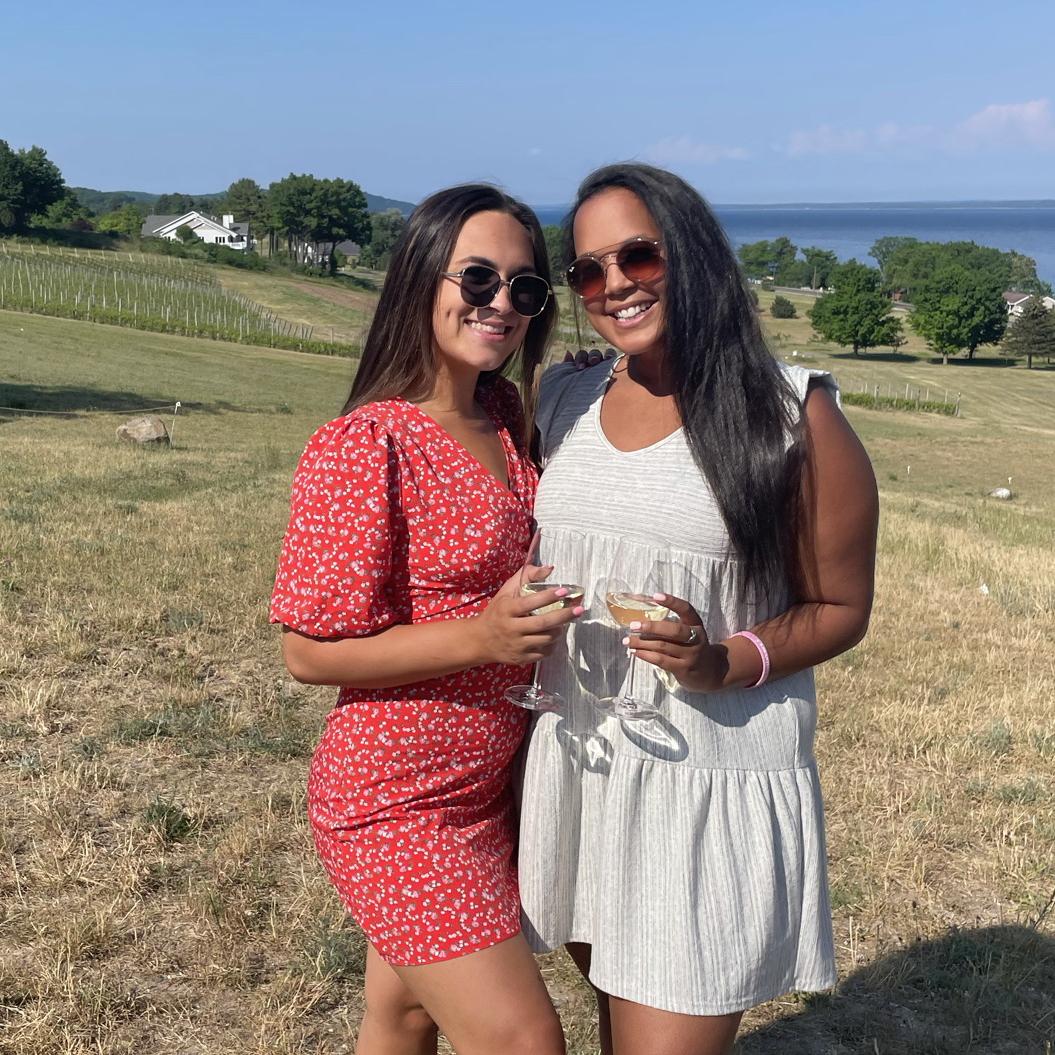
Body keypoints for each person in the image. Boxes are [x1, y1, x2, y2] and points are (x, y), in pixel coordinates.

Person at [517, 163, 879, 1055]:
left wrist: (723, 659)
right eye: (588, 270)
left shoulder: (793, 414)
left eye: (638, 256)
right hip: (580, 770)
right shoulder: (565, 396)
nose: (614, 285)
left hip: (703, 780)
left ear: (693, 252)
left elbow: (839, 604)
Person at [270, 184, 582, 1055]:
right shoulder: (365, 443)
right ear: (419, 277)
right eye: (477, 278)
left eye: (525, 287)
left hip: (487, 785)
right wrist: (482, 637)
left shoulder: (505, 415)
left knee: (403, 1012)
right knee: (523, 1041)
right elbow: (306, 652)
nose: (501, 303)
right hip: (396, 799)